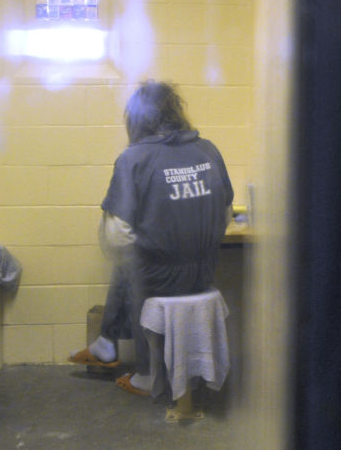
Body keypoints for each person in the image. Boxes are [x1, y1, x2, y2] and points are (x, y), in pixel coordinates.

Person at [68, 80, 233, 397]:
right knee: (136, 261)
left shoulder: (134, 159)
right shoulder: (209, 150)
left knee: (129, 263)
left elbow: (116, 237)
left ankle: (144, 373)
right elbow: (224, 215)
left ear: (137, 119)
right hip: (204, 272)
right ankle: (106, 345)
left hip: (156, 280)